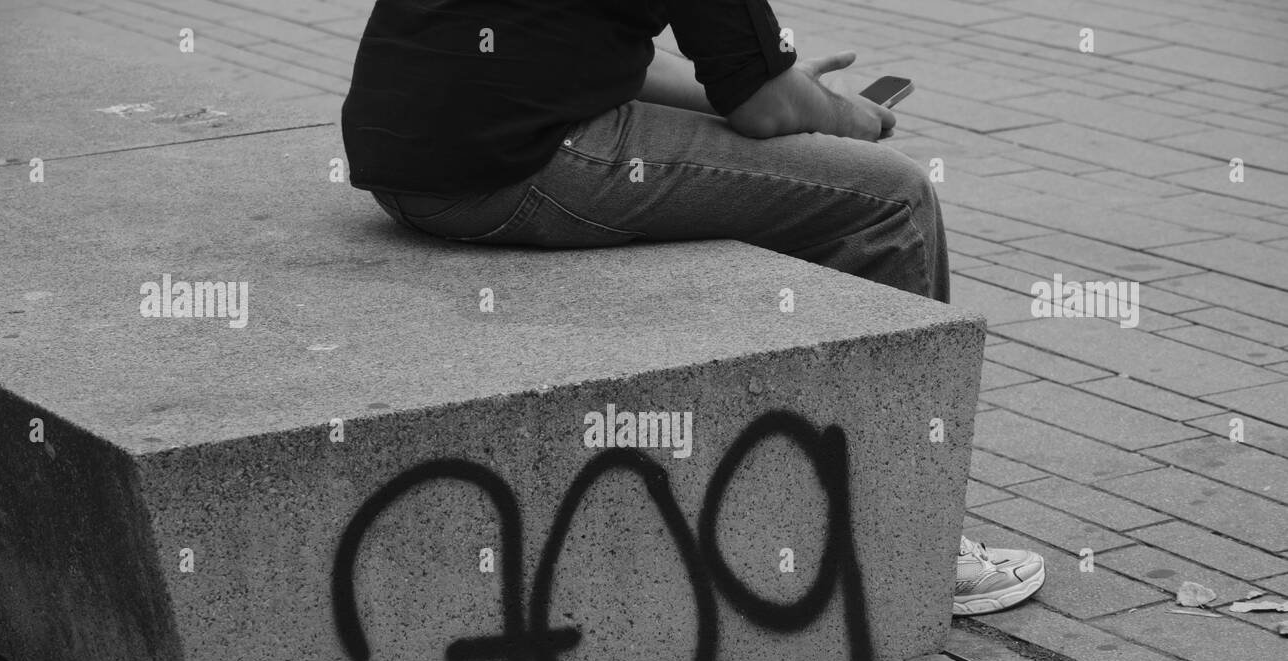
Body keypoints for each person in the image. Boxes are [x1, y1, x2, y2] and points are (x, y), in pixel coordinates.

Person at [341, 0, 1045, 615]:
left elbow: (609, 61)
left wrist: (776, 88)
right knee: (892, 202)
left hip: (405, 160)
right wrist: (837, 116)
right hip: (510, 167)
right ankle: (912, 549)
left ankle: (801, 502)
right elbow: (764, 108)